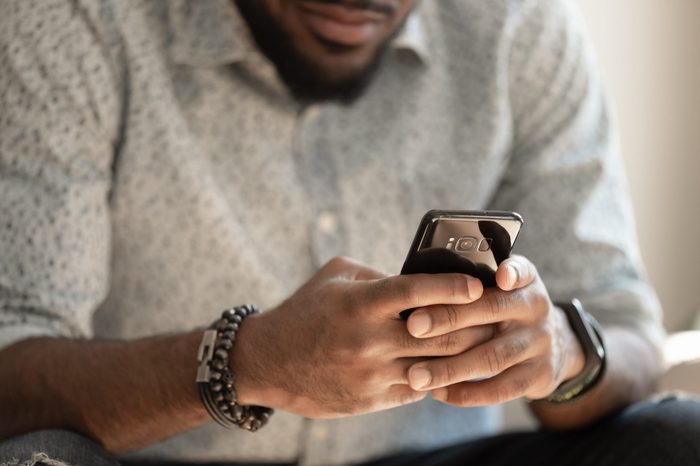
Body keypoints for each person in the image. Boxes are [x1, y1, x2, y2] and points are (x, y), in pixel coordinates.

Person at [0, 0, 698, 465]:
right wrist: (245, 364)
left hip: (430, 458)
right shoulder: (75, 21)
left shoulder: (517, 25)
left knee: (677, 436)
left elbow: (628, 331)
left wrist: (564, 355)